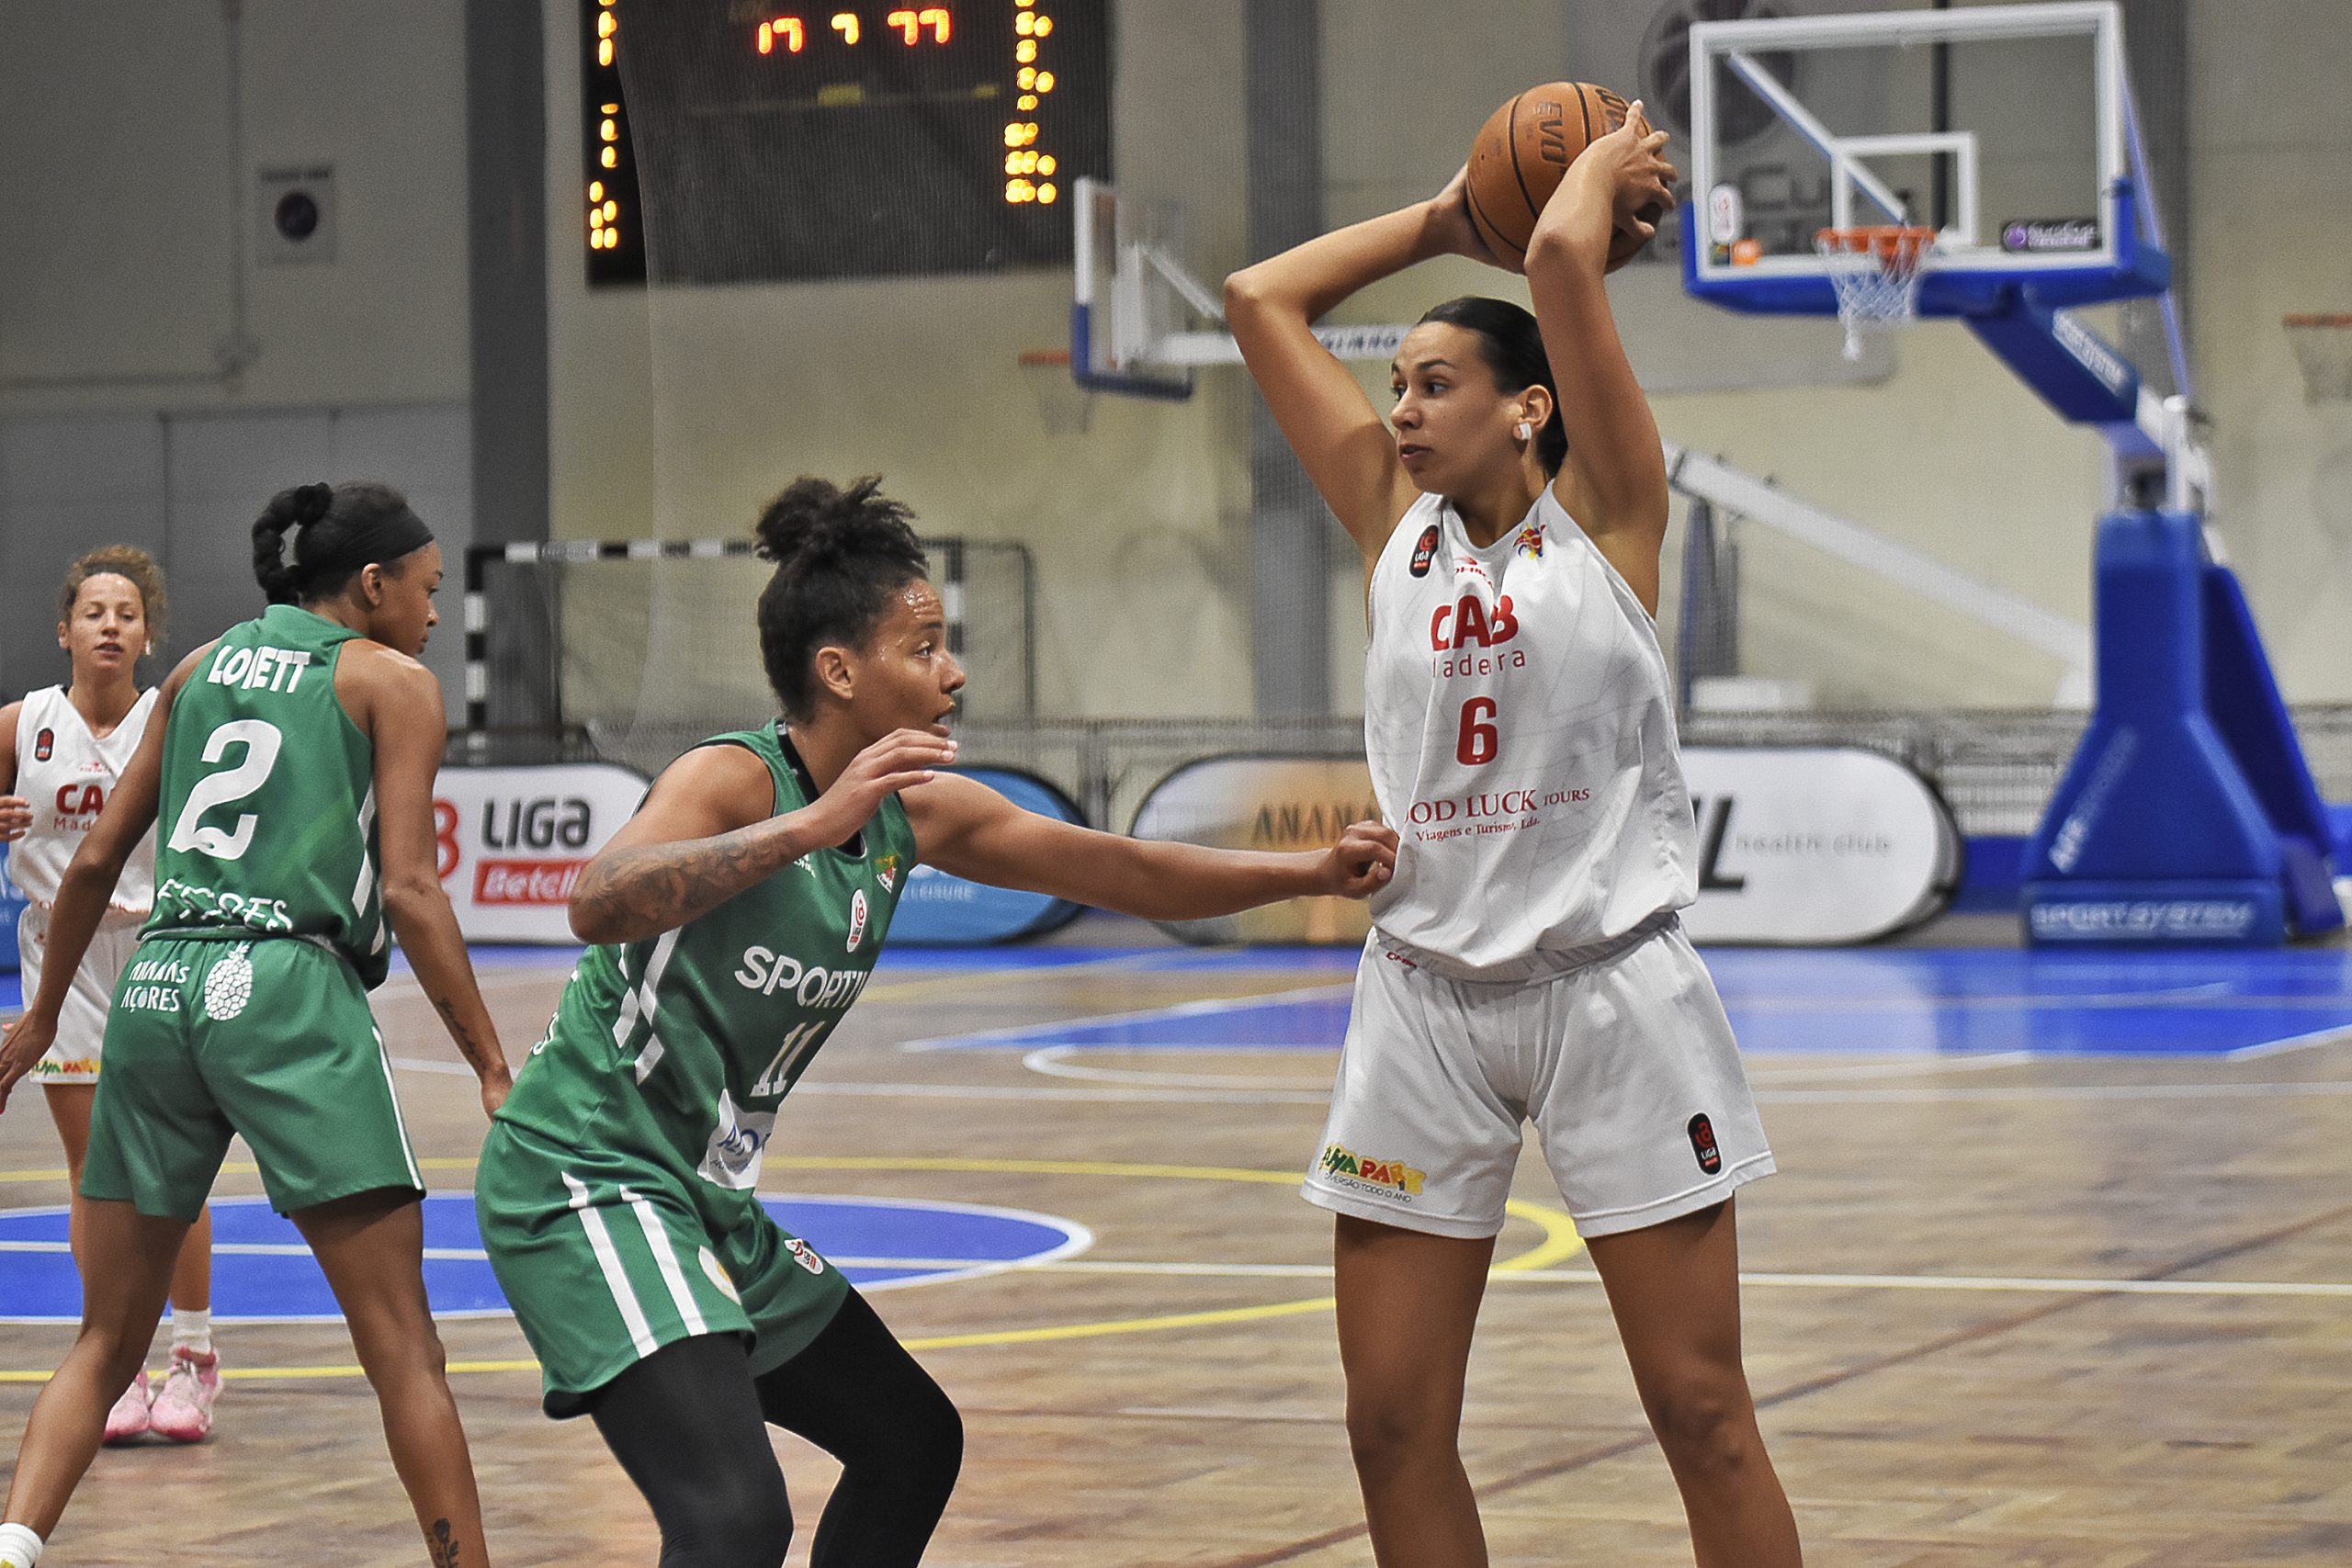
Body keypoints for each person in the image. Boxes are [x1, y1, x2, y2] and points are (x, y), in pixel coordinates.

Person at [474, 474, 1398, 1568]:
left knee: (910, 1441)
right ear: (840, 672)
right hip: (588, 1174)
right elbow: (597, 900)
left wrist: (1311, 872)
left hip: (704, 1197)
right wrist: (808, 828)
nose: (952, 671)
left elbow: (1130, 870)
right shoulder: (731, 779)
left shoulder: (920, 813)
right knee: (731, 1520)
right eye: (923, 648)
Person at [1223, 103, 1803, 1565]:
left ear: (1528, 405)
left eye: (1436, 383)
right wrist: (1435, 219)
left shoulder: (1612, 515)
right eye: (1396, 384)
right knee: (1393, 1424)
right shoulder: (1384, 521)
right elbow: (1258, 299)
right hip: (1425, 998)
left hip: (1611, 989)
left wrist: (1590, 172)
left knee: (1702, 1409)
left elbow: (1556, 255)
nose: (1402, 408)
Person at [0, 482, 514, 1568]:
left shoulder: (197, 669)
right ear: (371, 586)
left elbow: (93, 863)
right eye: (426, 590)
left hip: (154, 984)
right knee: (403, 1347)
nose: (432, 612)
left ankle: (13, 1545)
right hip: (285, 985)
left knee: (104, 1338)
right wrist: (491, 1064)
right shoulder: (392, 680)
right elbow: (414, 891)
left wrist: (43, 1011)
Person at [1, 548, 224, 1444]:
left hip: (154, 943)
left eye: (126, 612)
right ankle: (117, 1361)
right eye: (93, 610)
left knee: (172, 1164)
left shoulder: (169, 719)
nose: (109, 624)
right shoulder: (23, 723)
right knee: (95, 1176)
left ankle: (196, 1357)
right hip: (58, 950)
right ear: (63, 630)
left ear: (146, 633)